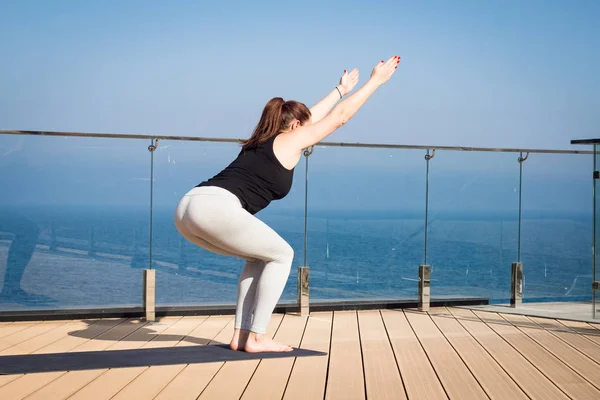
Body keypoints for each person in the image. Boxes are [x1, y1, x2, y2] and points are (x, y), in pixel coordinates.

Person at [174, 55, 401, 353]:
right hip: (216, 208)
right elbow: (339, 117)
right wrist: (376, 81)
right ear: (294, 126)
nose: (310, 133)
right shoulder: (290, 141)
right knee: (283, 255)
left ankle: (241, 336)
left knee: (258, 257)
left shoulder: (264, 139)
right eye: (304, 127)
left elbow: (313, 118)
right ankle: (257, 336)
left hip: (188, 207)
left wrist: (339, 89)